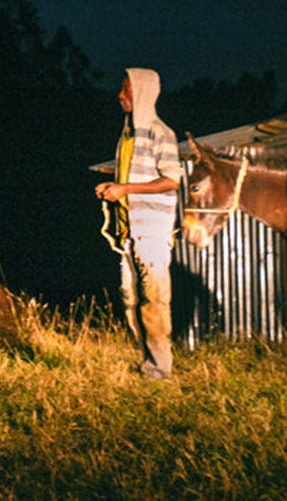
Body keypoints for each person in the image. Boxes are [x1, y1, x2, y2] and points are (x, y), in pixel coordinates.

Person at [94, 67, 182, 379]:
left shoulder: (162, 133)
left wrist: (125, 189)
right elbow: (129, 181)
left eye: (126, 90)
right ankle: (149, 364)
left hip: (152, 231)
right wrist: (112, 190)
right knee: (131, 299)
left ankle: (160, 371)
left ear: (142, 92)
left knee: (155, 300)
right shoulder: (127, 136)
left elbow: (172, 180)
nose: (120, 95)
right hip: (128, 232)